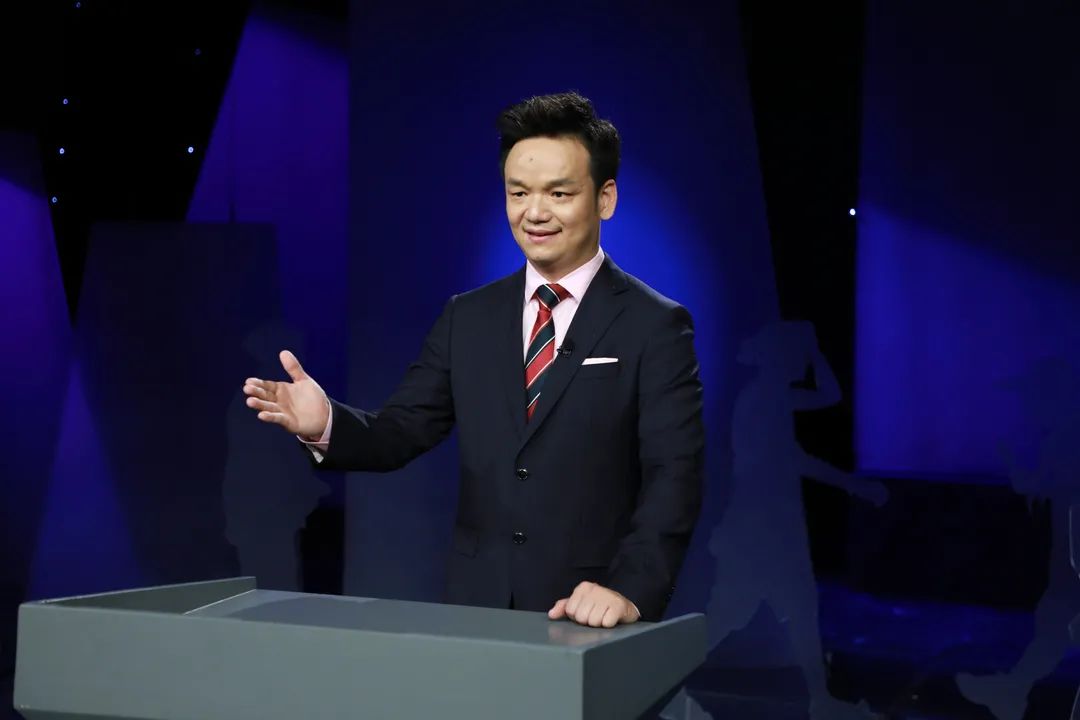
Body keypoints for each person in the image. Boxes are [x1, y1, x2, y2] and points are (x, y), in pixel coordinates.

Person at [242, 91, 705, 627]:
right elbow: (400, 432)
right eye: (518, 193)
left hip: (592, 610)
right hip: (477, 609)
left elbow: (675, 476)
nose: (535, 213)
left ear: (605, 198)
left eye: (559, 193)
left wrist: (628, 590)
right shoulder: (468, 317)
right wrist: (325, 424)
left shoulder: (655, 324)